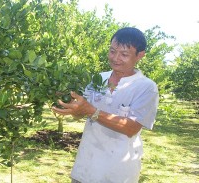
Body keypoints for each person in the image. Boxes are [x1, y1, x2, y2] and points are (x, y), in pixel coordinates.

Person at [52, 27, 159, 183]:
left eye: (124, 54)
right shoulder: (99, 78)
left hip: (116, 172)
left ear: (140, 55)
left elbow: (131, 128)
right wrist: (74, 107)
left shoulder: (146, 87)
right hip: (86, 166)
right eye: (112, 51)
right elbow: (82, 113)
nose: (115, 58)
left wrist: (91, 111)